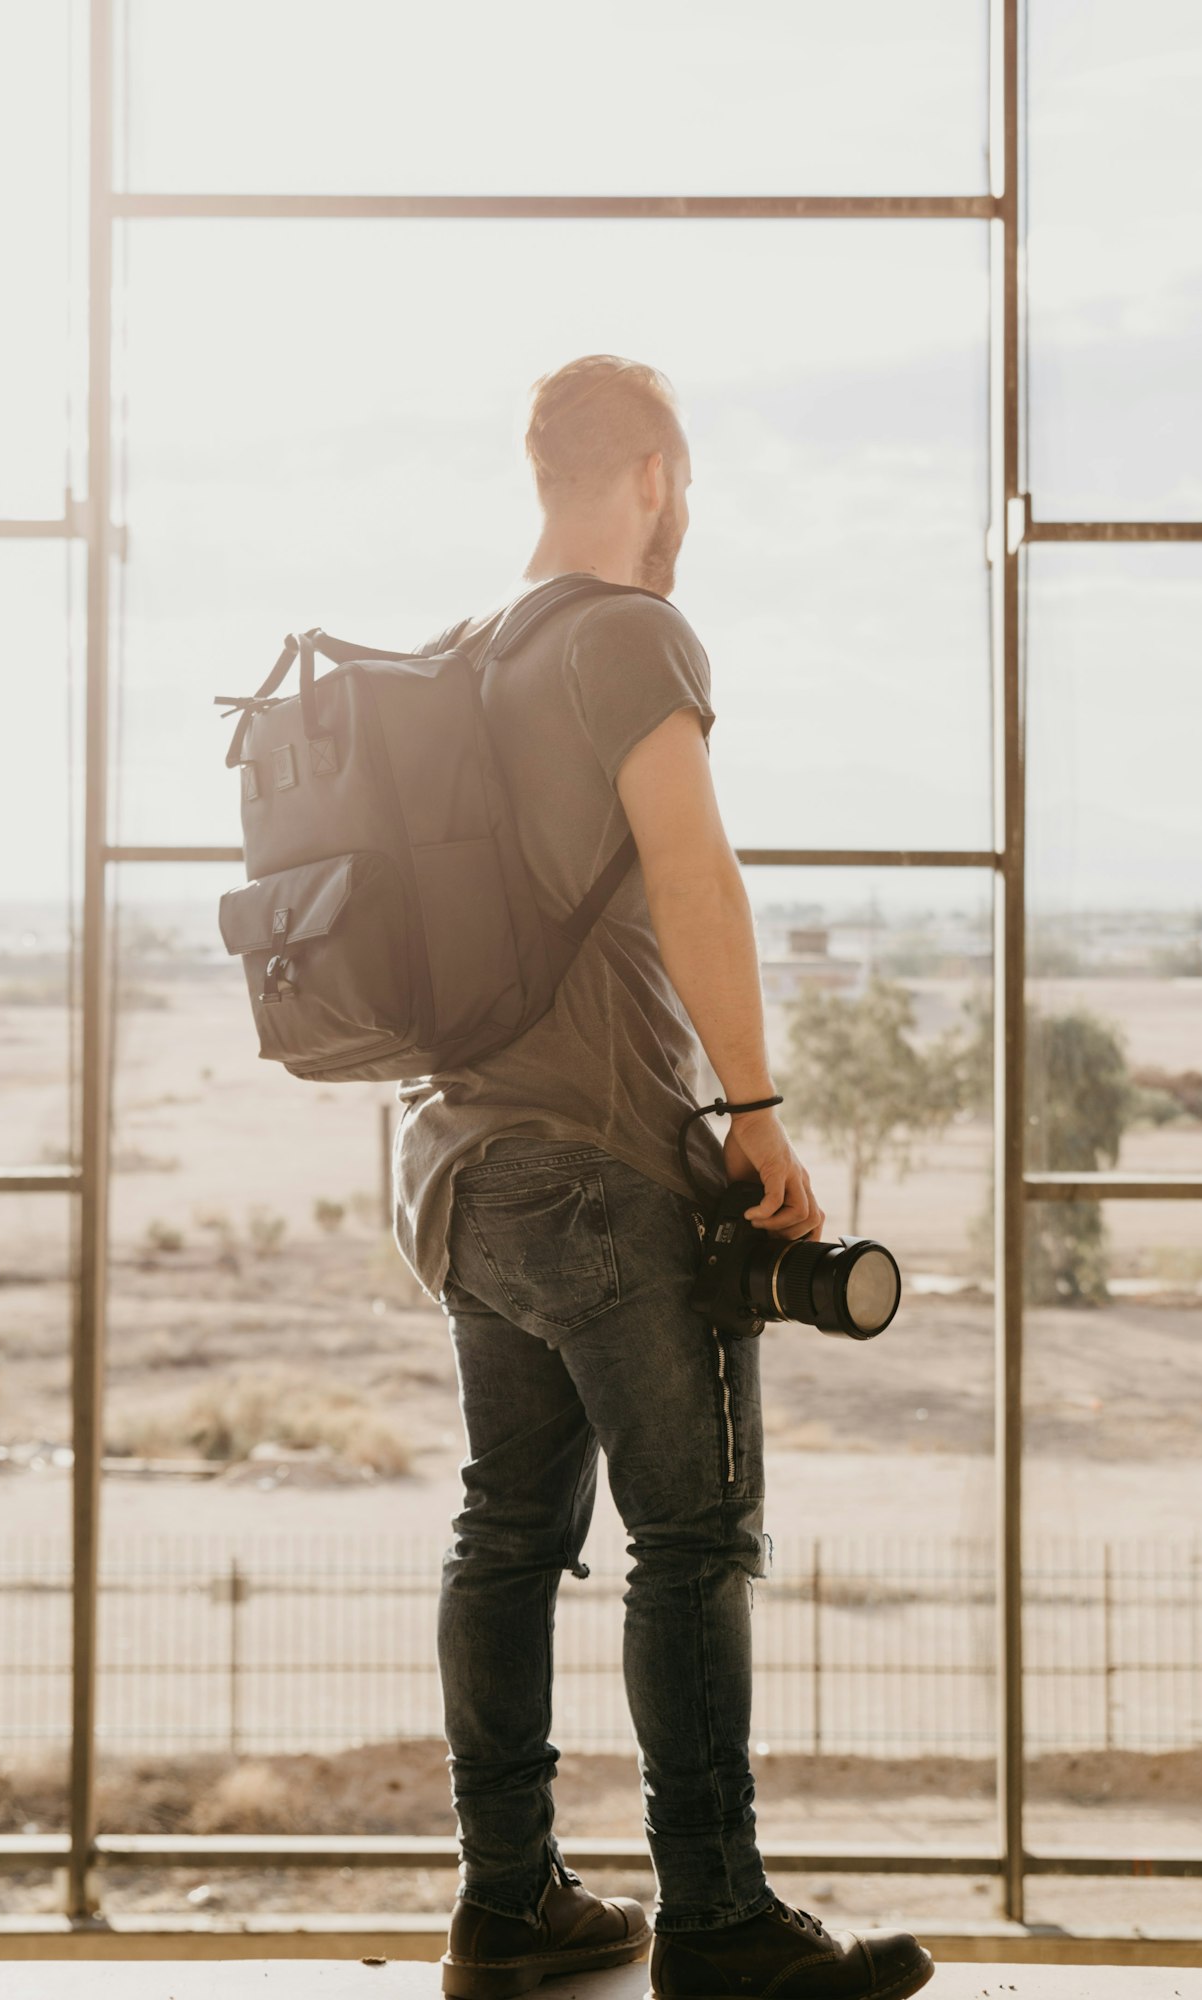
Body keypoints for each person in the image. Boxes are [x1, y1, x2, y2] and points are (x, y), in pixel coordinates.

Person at [394, 355, 934, 2000]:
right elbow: (693, 870)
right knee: (691, 1542)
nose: (684, 509)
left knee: (507, 1532)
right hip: (603, 1165)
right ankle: (715, 1918)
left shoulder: (471, 660)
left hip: (465, 1172)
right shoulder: (630, 639)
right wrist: (756, 1110)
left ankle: (509, 1903)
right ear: (647, 473)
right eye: (682, 480)